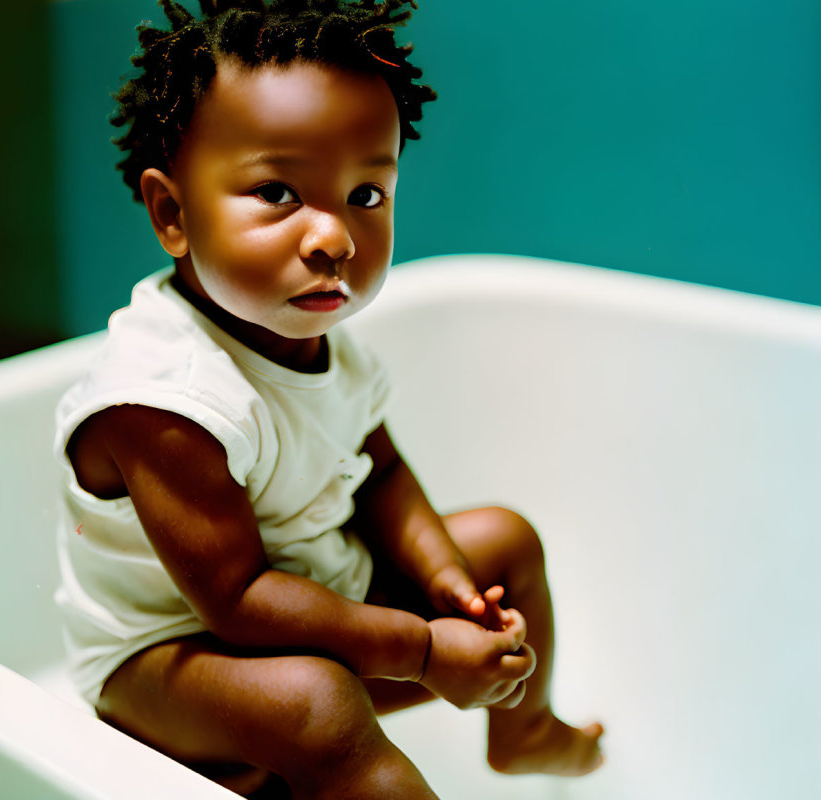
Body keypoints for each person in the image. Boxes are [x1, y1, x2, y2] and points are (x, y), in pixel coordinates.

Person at [53, 1, 603, 797]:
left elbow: (379, 474)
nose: (335, 238)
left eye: (366, 196)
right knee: (317, 703)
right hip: (168, 666)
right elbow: (237, 601)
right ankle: (305, 767)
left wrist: (449, 583)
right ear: (172, 213)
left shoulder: (311, 334)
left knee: (503, 544)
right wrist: (419, 648)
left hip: (309, 602)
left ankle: (522, 729)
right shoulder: (164, 401)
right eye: (278, 191)